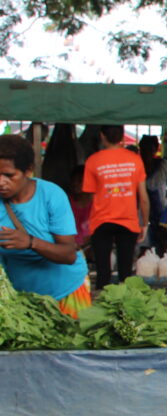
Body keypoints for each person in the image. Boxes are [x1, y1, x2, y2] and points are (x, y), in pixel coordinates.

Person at [0, 135, 91, 317]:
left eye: (9, 175)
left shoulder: (51, 195)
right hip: (21, 298)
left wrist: (30, 242)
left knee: (72, 343)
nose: (1, 182)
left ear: (28, 171)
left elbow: (68, 254)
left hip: (66, 292)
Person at [83, 124, 149, 289]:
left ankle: (102, 308)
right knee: (126, 274)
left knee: (102, 272)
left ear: (102, 136)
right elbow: (143, 198)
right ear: (122, 137)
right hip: (128, 221)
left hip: (101, 221)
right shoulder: (135, 159)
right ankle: (125, 309)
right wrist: (144, 224)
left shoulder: (93, 161)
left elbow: (91, 196)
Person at [67, 165, 91, 248]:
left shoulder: (96, 204)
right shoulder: (66, 202)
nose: (75, 184)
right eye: (73, 180)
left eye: (80, 181)